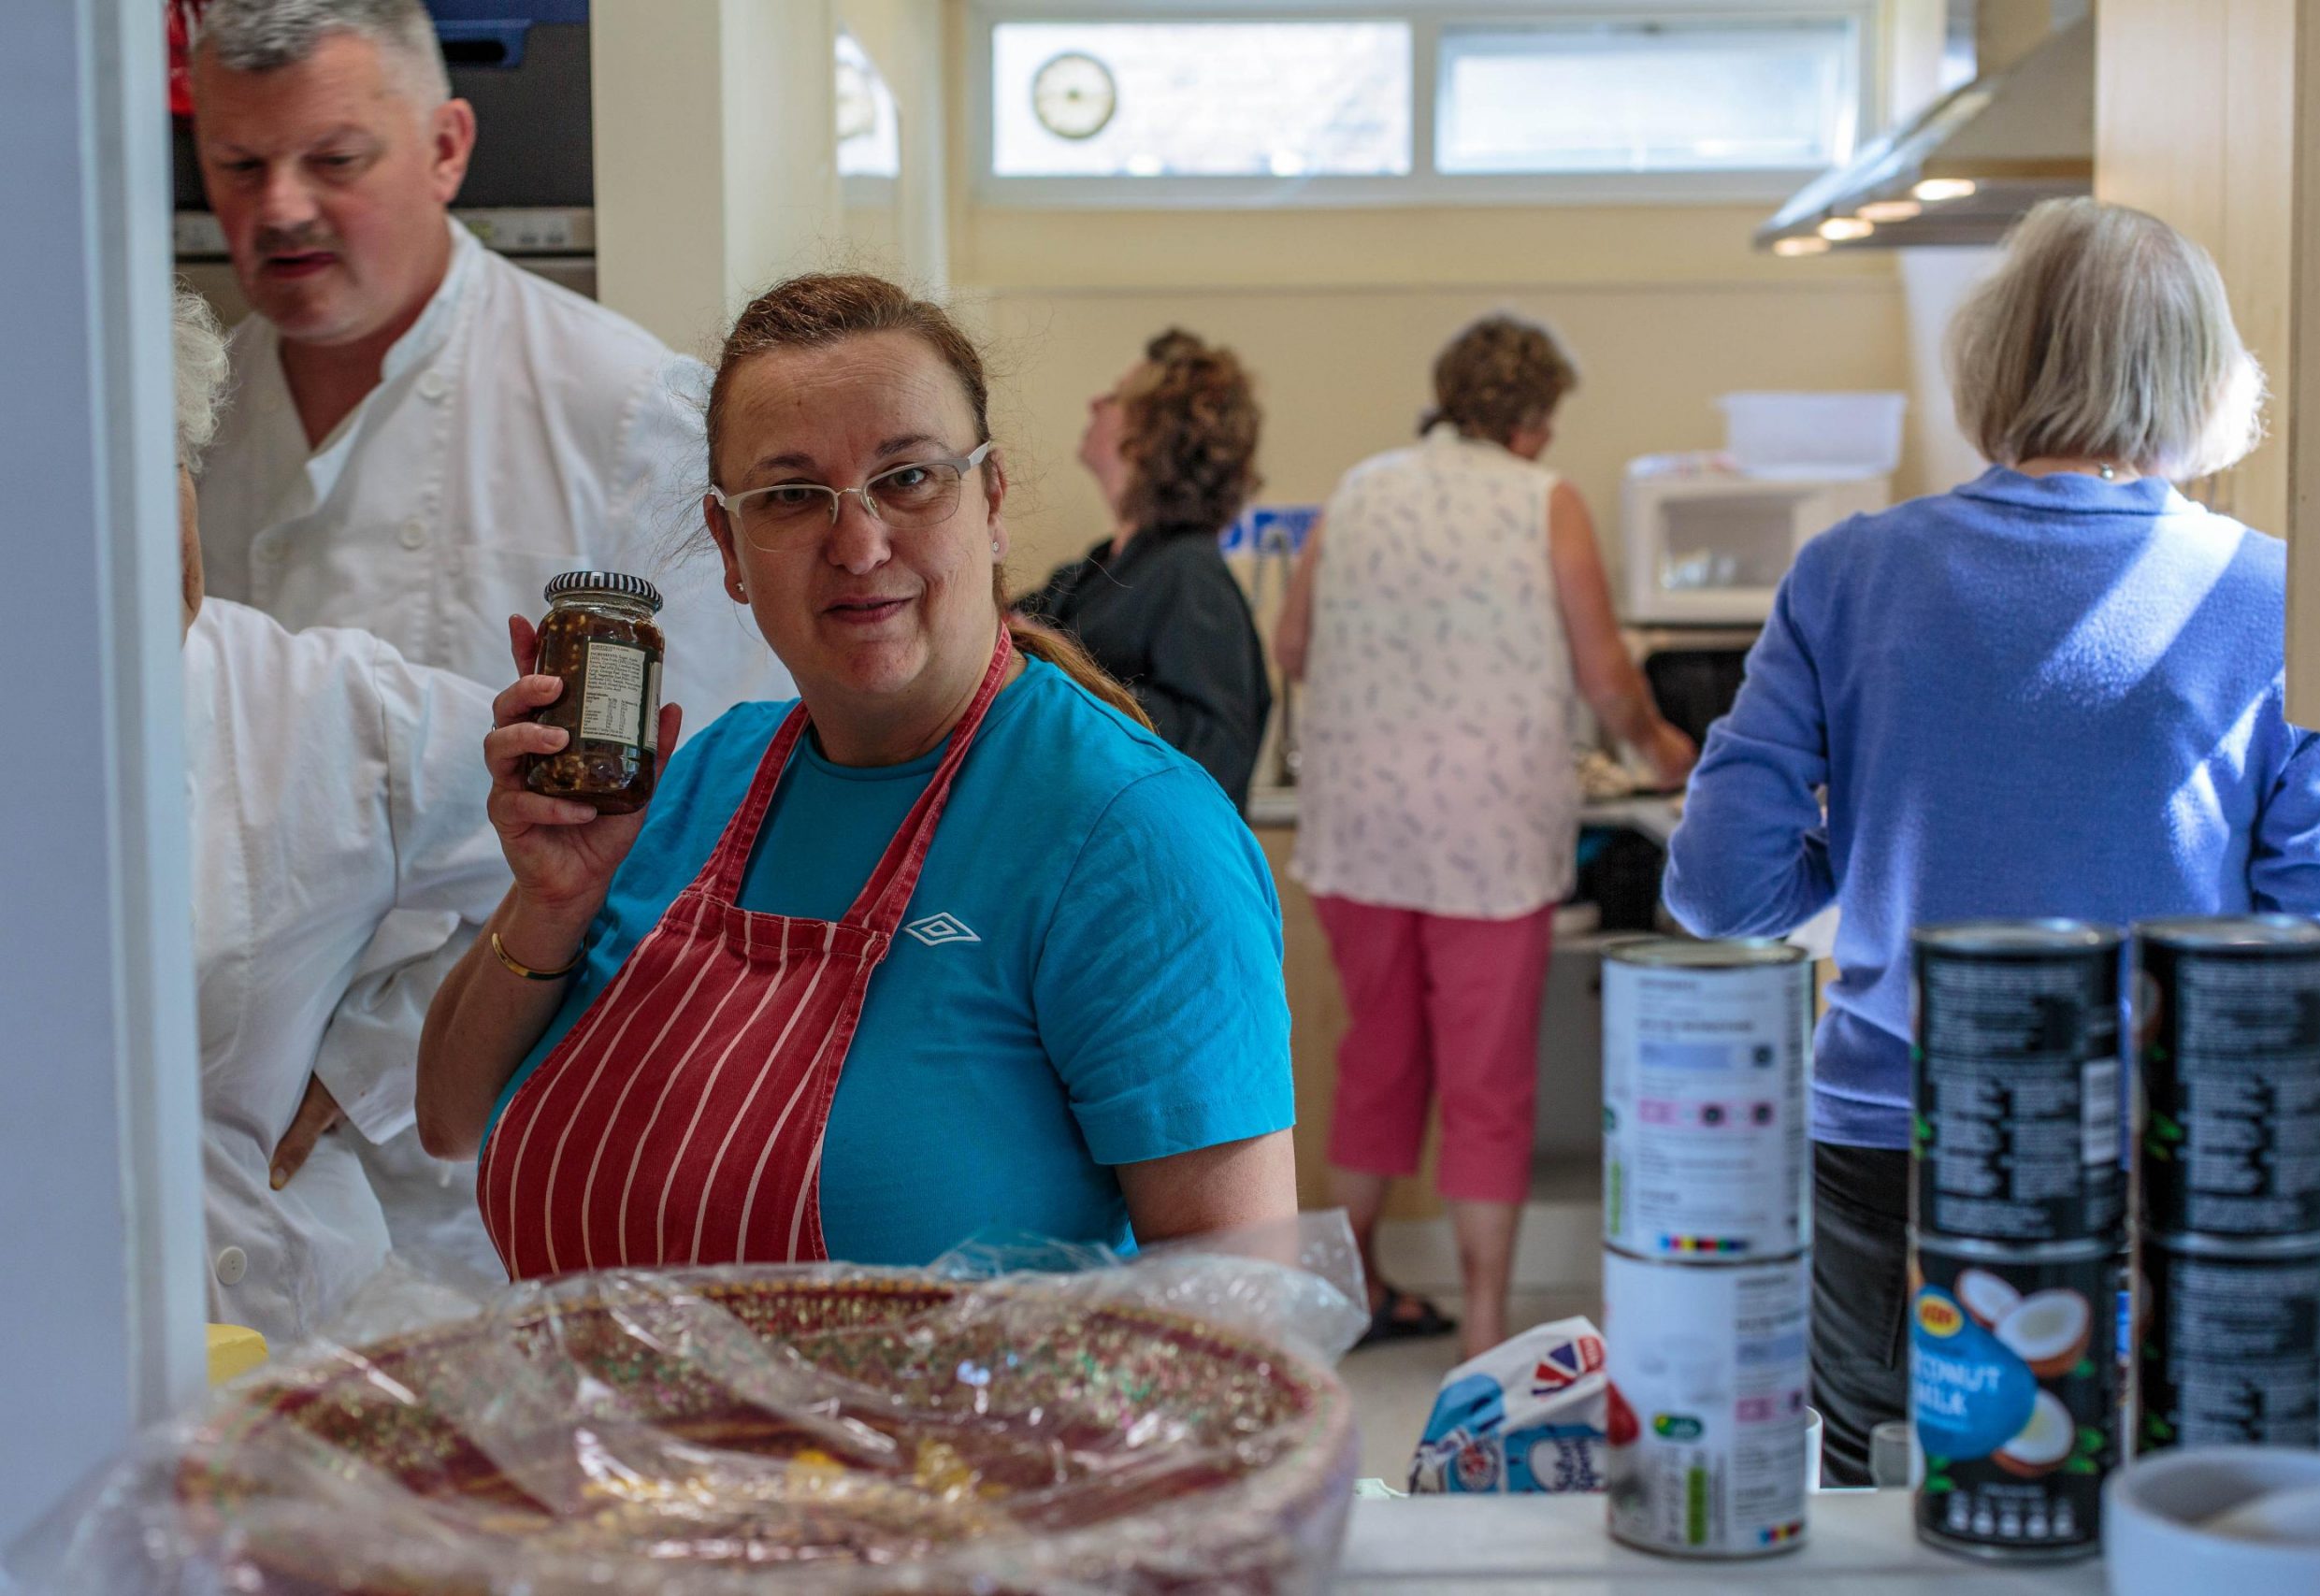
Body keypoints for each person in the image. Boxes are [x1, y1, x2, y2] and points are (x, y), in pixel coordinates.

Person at [1662, 198, 2320, 1485]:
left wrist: (1883, 830)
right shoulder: (2283, 595)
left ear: (1994, 356)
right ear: (2212, 378)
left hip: (1899, 1143)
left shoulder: (1851, 570)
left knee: (1905, 1508)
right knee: (2179, 1506)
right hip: (2172, 1154)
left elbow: (1723, 890)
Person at [415, 274, 1299, 1273]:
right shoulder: (701, 777)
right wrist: (548, 906)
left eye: (909, 478)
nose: (859, 541)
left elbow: (1241, 1324)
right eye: (791, 495)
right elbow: (448, 1120)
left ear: (992, 498)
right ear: (730, 548)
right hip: (599, 1427)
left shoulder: (1131, 837)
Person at [185, 0, 784, 1275]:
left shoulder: (621, 409)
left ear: (449, 147)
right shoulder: (194, 424)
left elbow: (701, 803)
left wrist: (356, 1069)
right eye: (240, 166)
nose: (281, 206)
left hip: (504, 1158)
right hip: (224, 1173)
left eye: (335, 160)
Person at [1275, 312, 1695, 1359]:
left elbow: (1291, 646)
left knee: (1375, 1059)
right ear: (1537, 419)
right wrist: (1657, 743)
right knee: (1486, 1081)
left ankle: (1347, 1290)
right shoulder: (1542, 502)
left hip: (1359, 826)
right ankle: (1488, 1328)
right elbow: (1604, 676)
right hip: (1489, 839)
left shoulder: (1360, 489)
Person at [171, 284, 511, 1345]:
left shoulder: (314, 709)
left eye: (150, 474)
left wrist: (372, 1057)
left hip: (280, 1336)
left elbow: (589, 861)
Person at [1016, 329, 1273, 805]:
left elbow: (1214, 749)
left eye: (1114, 397)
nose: (1094, 403)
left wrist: (1057, 676)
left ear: (1150, 434)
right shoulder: (1098, 568)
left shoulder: (1190, 577)